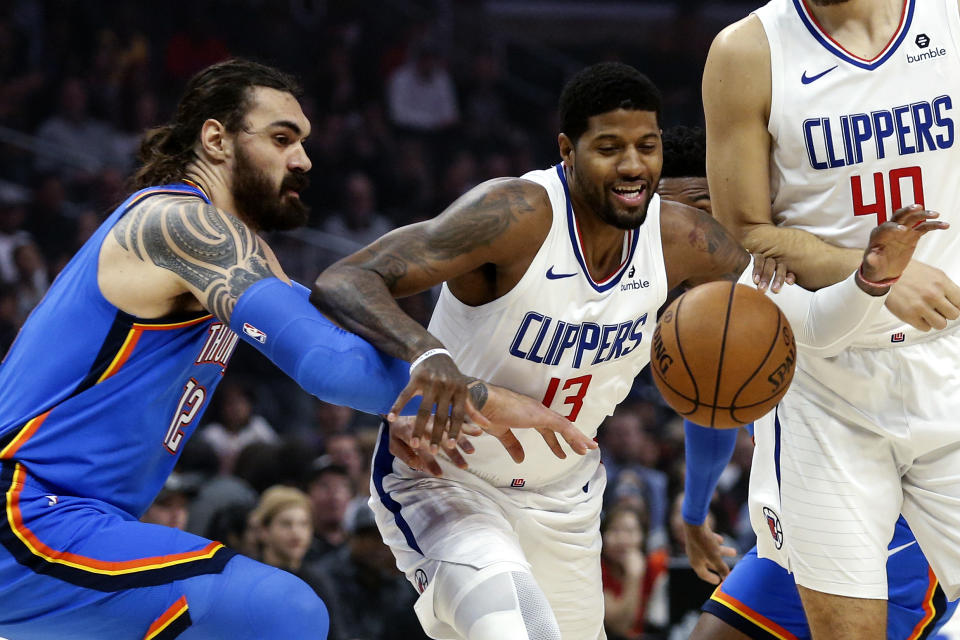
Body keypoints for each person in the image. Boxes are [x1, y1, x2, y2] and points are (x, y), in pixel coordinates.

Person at [313, 61, 942, 640]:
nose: (633, 166)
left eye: (647, 147)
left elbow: (789, 333)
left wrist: (868, 282)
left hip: (565, 497)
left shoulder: (687, 242)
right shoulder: (513, 214)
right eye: (610, 148)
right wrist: (428, 355)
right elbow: (344, 280)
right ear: (568, 150)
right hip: (447, 482)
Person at [0, 58, 593, 640]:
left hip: (78, 523)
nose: (303, 159)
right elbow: (327, 365)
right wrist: (485, 399)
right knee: (282, 611)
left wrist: (412, 406)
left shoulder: (230, 248)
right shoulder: (179, 224)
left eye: (304, 141)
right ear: (216, 139)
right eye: (282, 138)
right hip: (27, 517)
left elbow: (332, 339)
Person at [703, 1, 960, 638]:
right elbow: (742, 228)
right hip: (826, 381)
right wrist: (871, 273)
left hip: (950, 351)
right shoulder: (748, 50)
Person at [658, 124, 958, 639]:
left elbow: (824, 326)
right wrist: (692, 513)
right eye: (674, 214)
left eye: (705, 206)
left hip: (891, 509)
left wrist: (872, 281)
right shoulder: (688, 295)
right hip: (795, 528)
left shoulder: (779, 265)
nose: (693, 227)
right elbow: (711, 406)